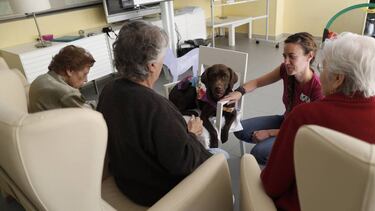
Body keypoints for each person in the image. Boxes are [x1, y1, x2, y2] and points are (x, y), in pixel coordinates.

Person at [261, 32, 375, 211]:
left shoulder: (304, 116)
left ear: (338, 79)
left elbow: (272, 186)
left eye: (323, 67)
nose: (320, 74)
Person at [96, 20, 211, 206]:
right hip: (156, 191)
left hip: (127, 180)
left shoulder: (108, 91)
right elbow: (185, 163)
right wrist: (192, 133)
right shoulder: (156, 107)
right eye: (162, 58)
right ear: (151, 66)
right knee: (221, 155)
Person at [222, 32, 323, 164]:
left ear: (309, 56)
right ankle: (277, 149)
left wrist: (270, 133)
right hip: (286, 121)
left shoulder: (318, 89)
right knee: (239, 129)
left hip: (300, 134)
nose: (286, 62)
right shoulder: (286, 71)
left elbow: (309, 131)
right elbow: (258, 82)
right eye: (284, 56)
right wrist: (239, 92)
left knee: (258, 153)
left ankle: (289, 159)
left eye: (292, 57)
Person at [29, 45, 96, 112]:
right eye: (85, 74)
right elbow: (89, 112)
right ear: (69, 70)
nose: (86, 80)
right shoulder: (67, 93)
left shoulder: (41, 78)